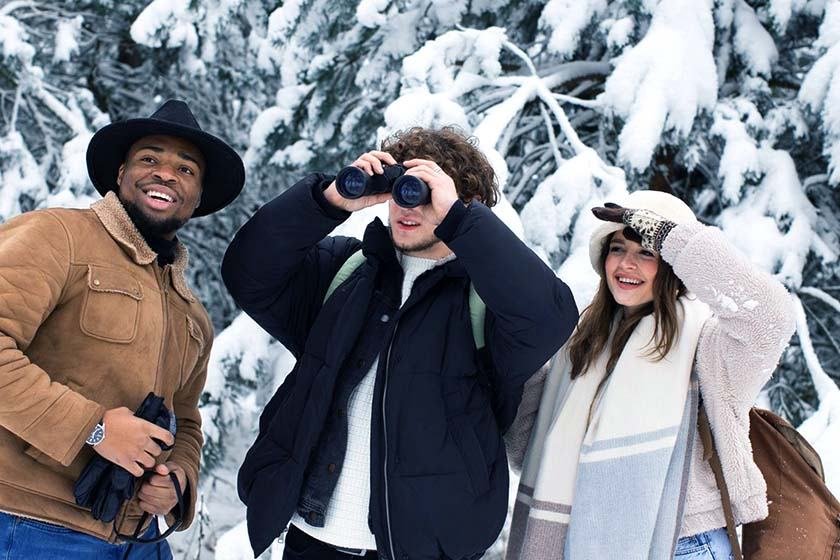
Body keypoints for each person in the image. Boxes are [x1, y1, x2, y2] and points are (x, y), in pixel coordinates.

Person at [222, 126, 578, 560]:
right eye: (402, 190)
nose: (409, 206)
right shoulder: (345, 270)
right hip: (310, 543)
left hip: (422, 550)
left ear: (463, 204)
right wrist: (328, 201)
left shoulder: (486, 303)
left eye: (429, 193)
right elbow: (248, 273)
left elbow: (549, 318)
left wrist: (463, 223)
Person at [0, 99, 245, 558]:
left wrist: (179, 481)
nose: (167, 174)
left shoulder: (192, 316)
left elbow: (186, 421)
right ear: (120, 175)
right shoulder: (59, 236)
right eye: (150, 159)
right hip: (30, 523)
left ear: (197, 196)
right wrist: (93, 429)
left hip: (138, 539)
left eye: (186, 170)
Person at [504, 190, 796, 559]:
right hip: (582, 541)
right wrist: (520, 356)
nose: (627, 264)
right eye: (617, 248)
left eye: (647, 252)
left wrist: (671, 237)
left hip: (685, 546)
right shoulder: (580, 342)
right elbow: (526, 448)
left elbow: (771, 317)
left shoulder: (707, 347)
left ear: (674, 266)